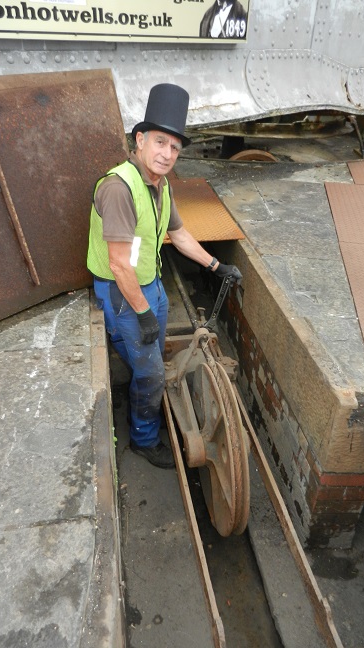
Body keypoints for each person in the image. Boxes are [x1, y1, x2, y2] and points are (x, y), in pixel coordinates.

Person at [87, 83, 242, 469]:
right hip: (122, 292)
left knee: (150, 355)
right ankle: (143, 437)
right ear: (139, 140)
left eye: (174, 148)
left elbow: (179, 234)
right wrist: (141, 313)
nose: (167, 154)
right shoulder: (119, 189)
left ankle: (142, 377)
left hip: (149, 284)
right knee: (152, 371)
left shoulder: (160, 185)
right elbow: (120, 264)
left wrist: (215, 265)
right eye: (159, 143)